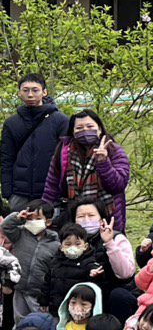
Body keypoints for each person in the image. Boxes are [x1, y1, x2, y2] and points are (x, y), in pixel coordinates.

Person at [43, 109, 131, 233]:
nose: (85, 130)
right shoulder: (63, 152)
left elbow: (118, 185)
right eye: (79, 128)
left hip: (107, 212)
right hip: (75, 213)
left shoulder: (113, 151)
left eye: (90, 126)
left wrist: (103, 163)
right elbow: (52, 185)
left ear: (99, 129)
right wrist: (44, 210)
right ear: (72, 131)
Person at [1, 74, 69, 207]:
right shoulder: (12, 123)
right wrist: (7, 192)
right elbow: (6, 159)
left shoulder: (60, 121)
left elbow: (66, 158)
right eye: (25, 90)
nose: (30, 95)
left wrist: (64, 190)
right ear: (19, 93)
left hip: (50, 192)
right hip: (19, 193)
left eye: (35, 90)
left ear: (44, 92)